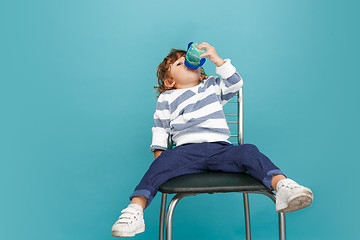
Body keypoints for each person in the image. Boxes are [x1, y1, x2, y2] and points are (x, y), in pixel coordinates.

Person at [111, 42, 313, 237]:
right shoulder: (167, 98)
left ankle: (283, 186)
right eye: (179, 64)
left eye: (187, 60)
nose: (186, 63)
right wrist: (160, 160)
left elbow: (236, 83)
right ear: (169, 81)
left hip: (221, 150)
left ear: (200, 70)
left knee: (249, 150)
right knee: (161, 162)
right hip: (186, 153)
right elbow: (160, 129)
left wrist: (218, 60)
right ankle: (134, 210)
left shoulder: (211, 87)